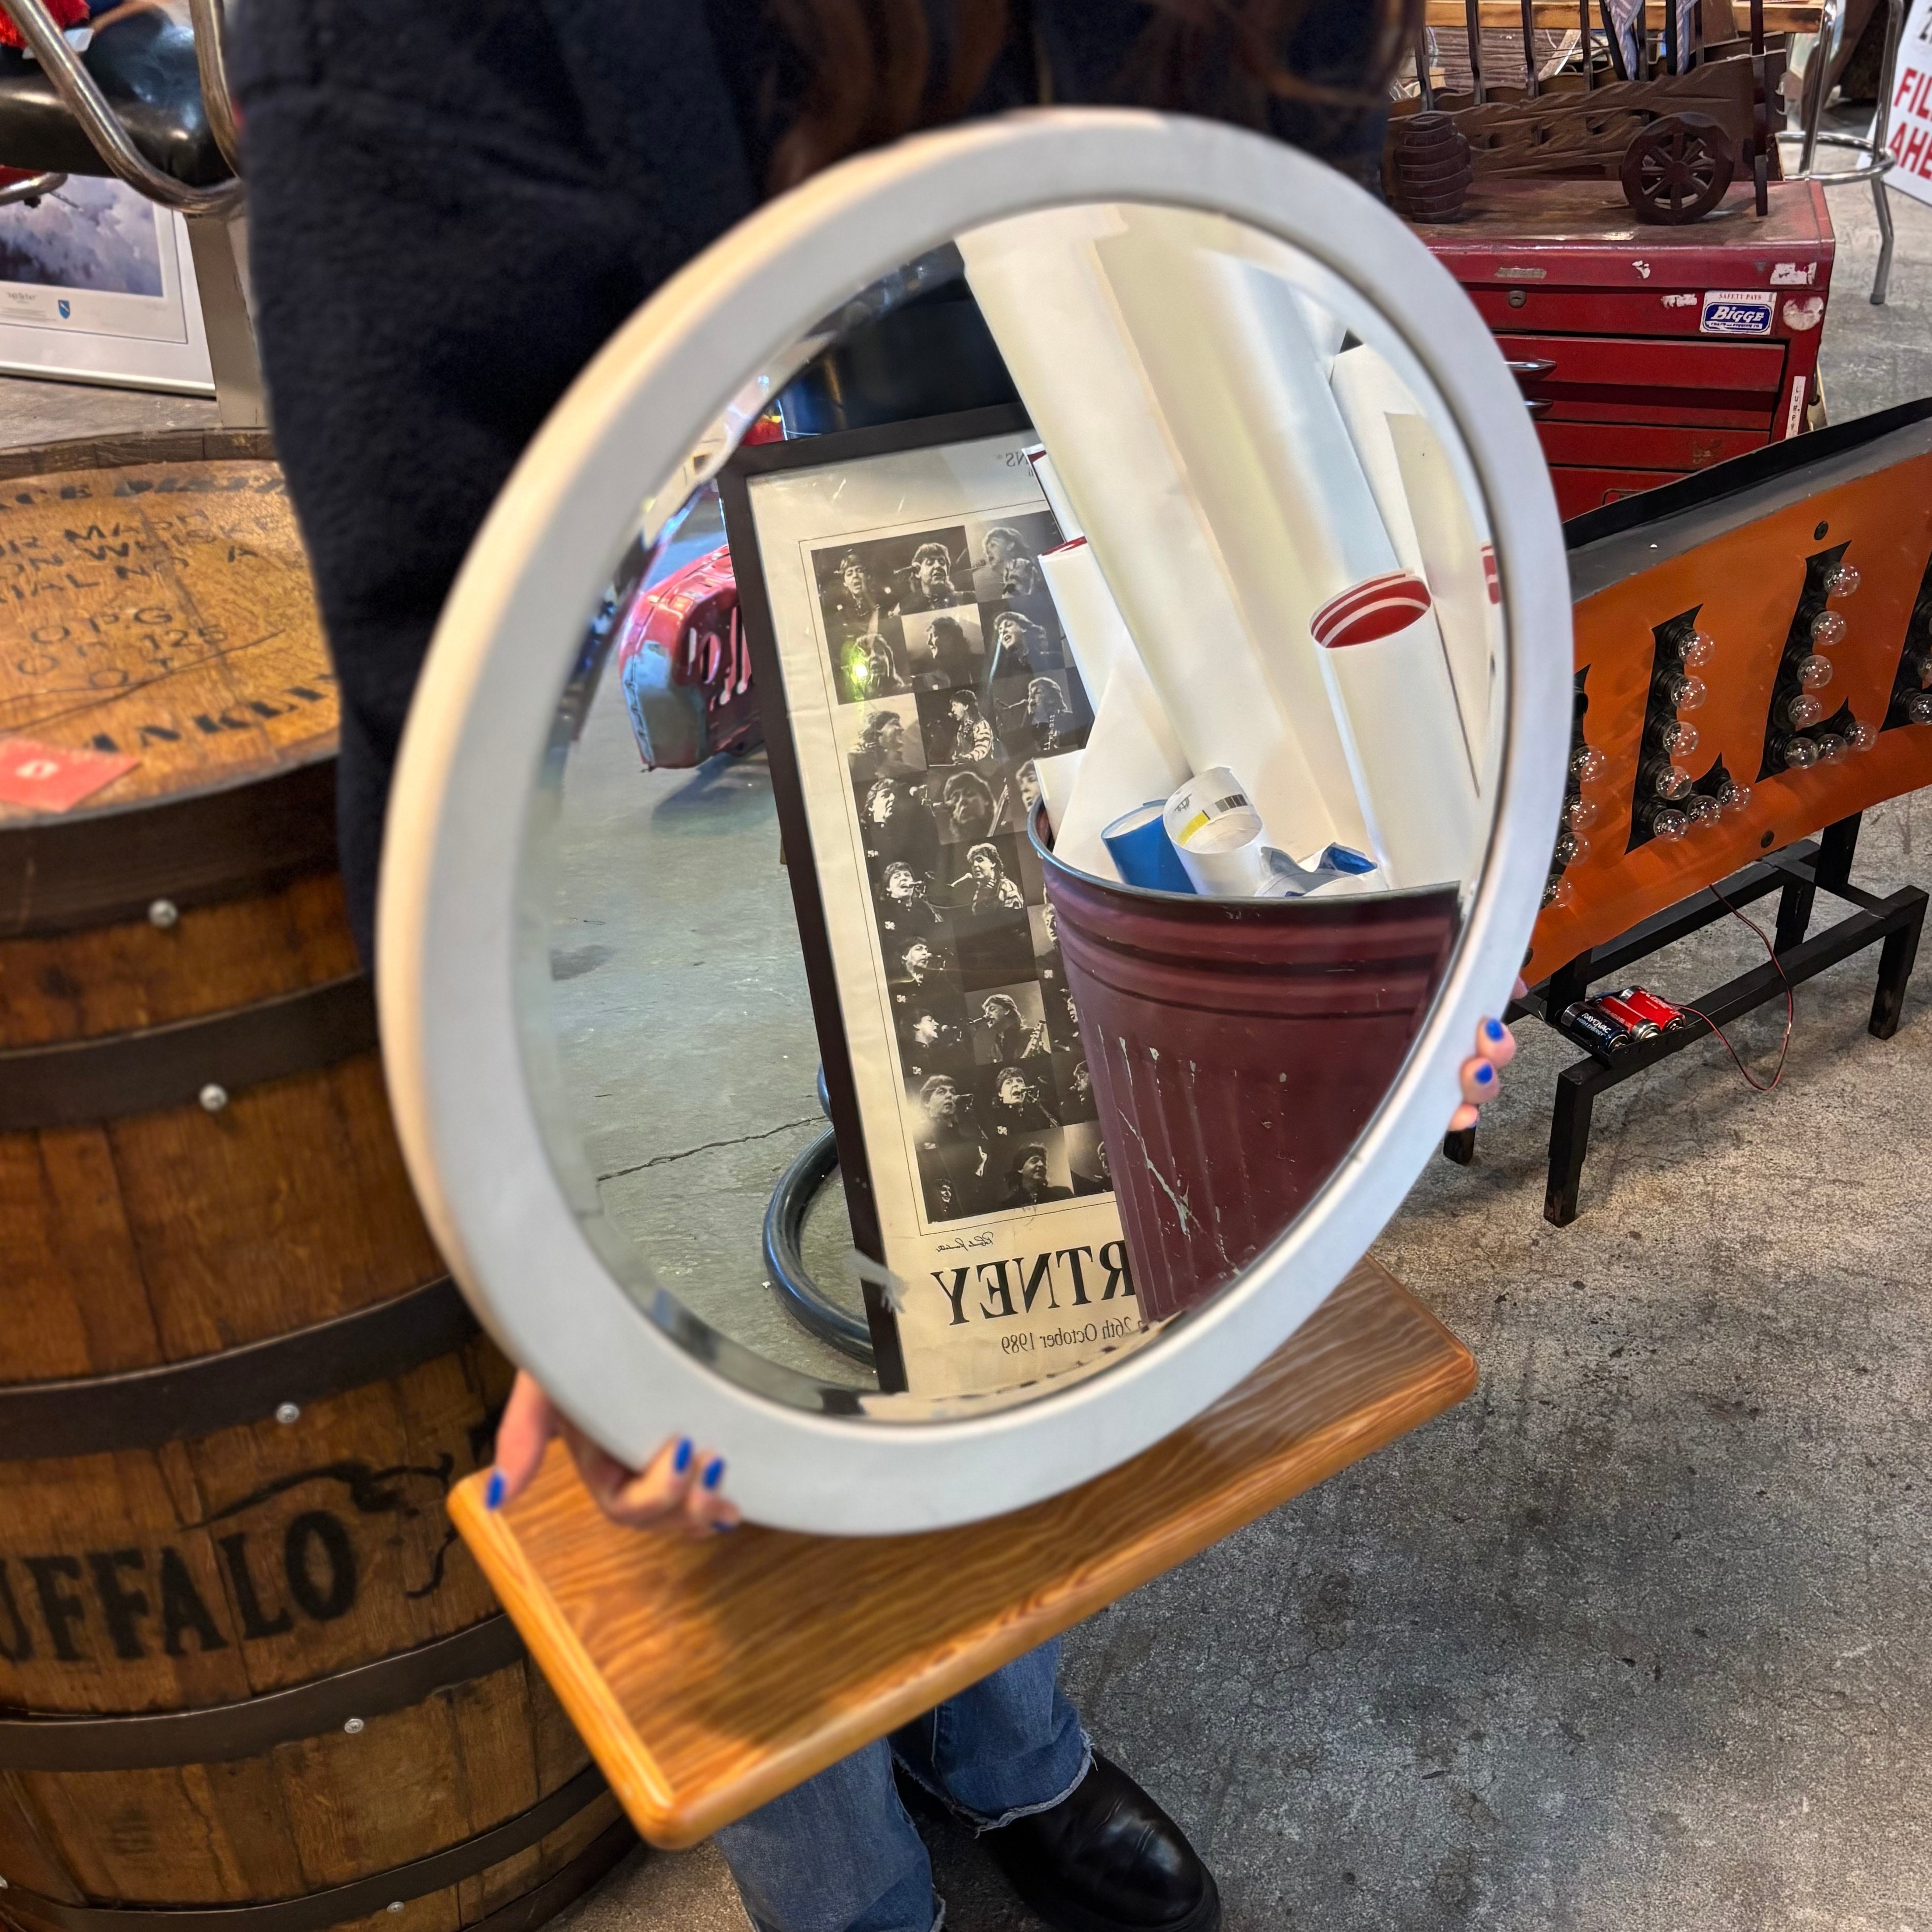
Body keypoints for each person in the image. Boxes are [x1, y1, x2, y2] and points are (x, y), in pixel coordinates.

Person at [233, 6, 1521, 1929]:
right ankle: (848, 1896)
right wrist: (554, 1278)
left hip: (1034, 536)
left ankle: (1011, 1749)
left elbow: (1306, 288)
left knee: (1024, 1201)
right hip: (665, 563)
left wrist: (1429, 913)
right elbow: (452, 662)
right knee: (721, 1433)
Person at [1002, 1142, 1073, 1208]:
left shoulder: (1062, 1195)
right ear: (1020, 1168)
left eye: (1043, 1162)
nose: (1041, 1165)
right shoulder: (1008, 1205)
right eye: (1034, 1161)